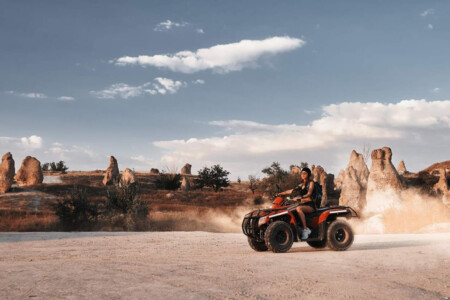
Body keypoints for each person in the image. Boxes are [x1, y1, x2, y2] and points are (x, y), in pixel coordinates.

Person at [278, 167, 315, 239]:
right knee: (290, 208)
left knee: (298, 208)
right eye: (302, 173)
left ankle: (305, 229)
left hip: (310, 205)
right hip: (303, 204)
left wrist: (301, 197)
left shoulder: (311, 183)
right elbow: (291, 191)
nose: (303, 175)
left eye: (305, 173)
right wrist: (281, 194)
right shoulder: (301, 185)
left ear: (308, 174)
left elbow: (309, 193)